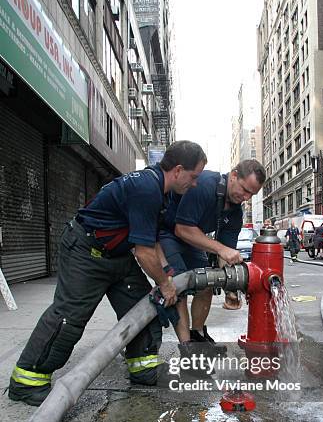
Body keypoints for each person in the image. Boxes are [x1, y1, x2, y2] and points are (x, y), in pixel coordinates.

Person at [8, 141, 207, 406]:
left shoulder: (162, 190)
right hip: (86, 251)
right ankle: (27, 380)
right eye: (194, 177)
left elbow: (151, 239)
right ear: (179, 170)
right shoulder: (147, 188)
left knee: (143, 308)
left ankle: (143, 369)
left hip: (117, 255)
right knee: (70, 316)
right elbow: (144, 252)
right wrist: (164, 283)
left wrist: (168, 274)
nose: (194, 184)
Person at [159, 159, 266, 347]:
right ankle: (187, 347)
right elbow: (182, 229)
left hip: (193, 238)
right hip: (169, 233)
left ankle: (198, 334)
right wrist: (221, 249)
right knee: (179, 287)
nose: (247, 198)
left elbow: (225, 256)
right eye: (245, 190)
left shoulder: (235, 214)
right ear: (233, 175)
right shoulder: (205, 184)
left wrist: (231, 289)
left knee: (207, 283)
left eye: (252, 194)